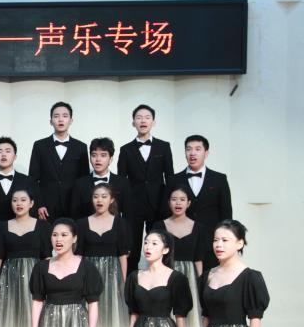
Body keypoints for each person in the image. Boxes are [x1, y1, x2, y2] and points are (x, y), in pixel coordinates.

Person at [0, 189, 52, 327]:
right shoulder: (2, 227)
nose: (18, 203)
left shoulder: (43, 226)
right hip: (8, 279)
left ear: (32, 203)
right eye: (15, 200)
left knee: (32, 319)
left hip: (34, 278)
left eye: (23, 200)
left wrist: (50, 283)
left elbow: (47, 257)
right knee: (9, 320)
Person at [75, 184, 132, 327]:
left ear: (111, 199)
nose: (99, 200)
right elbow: (78, 255)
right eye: (96, 196)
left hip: (112, 277)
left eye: (104, 196)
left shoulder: (121, 223)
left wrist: (123, 283)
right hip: (89, 275)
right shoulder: (82, 224)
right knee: (90, 320)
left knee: (110, 321)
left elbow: (123, 255)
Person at [158, 186, 208, 327]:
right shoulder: (159, 225)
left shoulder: (199, 228)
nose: (177, 203)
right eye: (173, 199)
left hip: (189, 280)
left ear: (189, 203)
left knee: (190, 322)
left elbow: (199, 259)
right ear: (168, 202)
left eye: (182, 199)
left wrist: (201, 285)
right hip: (167, 277)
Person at [117, 105, 174, 268]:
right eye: (139, 117)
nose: (143, 121)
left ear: (153, 122)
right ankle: (131, 280)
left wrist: (167, 205)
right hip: (132, 205)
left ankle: (159, 279)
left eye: (147, 117)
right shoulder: (125, 150)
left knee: (159, 244)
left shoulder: (164, 147)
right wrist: (122, 207)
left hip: (158, 204)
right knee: (132, 246)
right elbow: (121, 181)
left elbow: (170, 178)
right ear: (133, 123)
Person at [167, 135, 232, 270]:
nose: (192, 153)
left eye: (197, 149)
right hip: (181, 243)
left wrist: (224, 241)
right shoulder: (173, 180)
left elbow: (226, 213)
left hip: (210, 242)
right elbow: (166, 212)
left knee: (210, 279)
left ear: (206, 153)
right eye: (188, 149)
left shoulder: (219, 179)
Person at [28, 102, 88, 221]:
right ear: (51, 121)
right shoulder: (39, 146)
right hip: (46, 208)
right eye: (56, 116)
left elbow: (84, 180)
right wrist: (39, 204)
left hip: (74, 206)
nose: (60, 119)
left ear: (71, 120)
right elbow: (33, 179)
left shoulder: (81, 147)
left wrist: (82, 205)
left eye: (65, 116)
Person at [69, 137, 130, 220]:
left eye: (103, 155)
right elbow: (75, 217)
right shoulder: (79, 184)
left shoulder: (123, 183)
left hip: (116, 228)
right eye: (94, 155)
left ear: (110, 159)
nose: (98, 159)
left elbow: (128, 215)